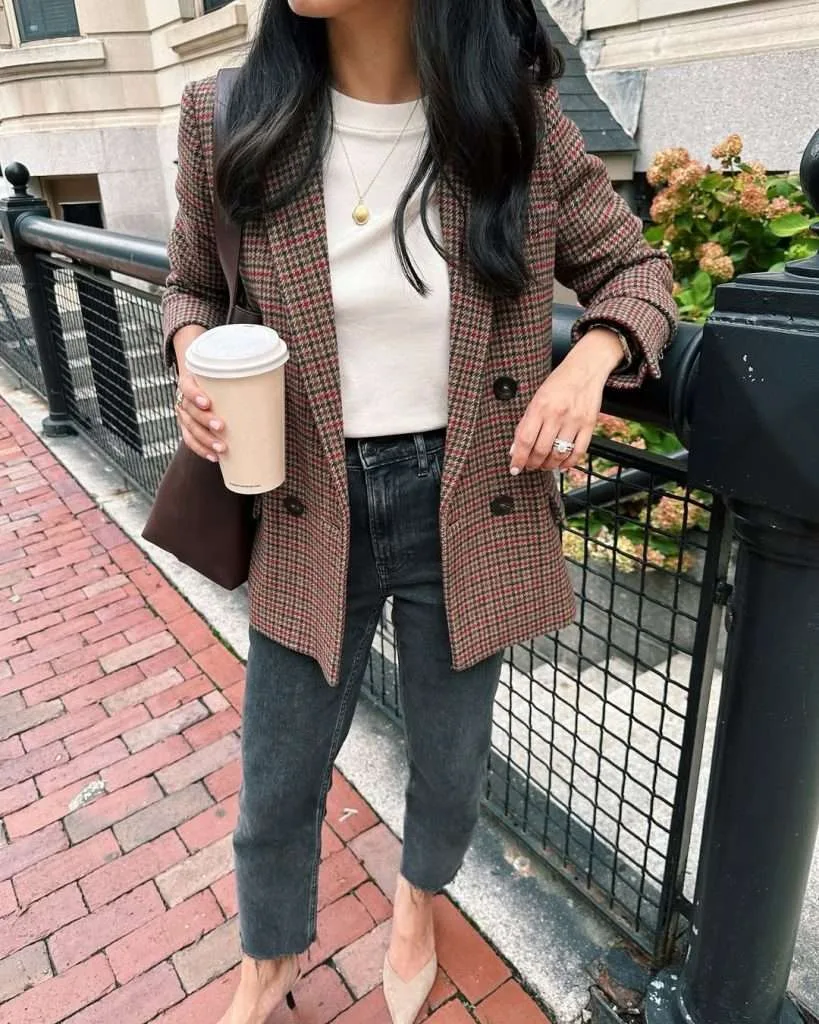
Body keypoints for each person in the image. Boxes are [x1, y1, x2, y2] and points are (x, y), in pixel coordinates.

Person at [162, 0, 677, 1020]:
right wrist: (190, 357)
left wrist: (592, 356)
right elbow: (189, 285)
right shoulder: (226, 115)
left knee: (451, 760)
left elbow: (636, 266)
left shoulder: (508, 117)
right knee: (276, 772)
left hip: (469, 495)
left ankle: (417, 899)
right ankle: (266, 962)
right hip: (309, 494)